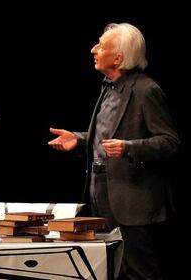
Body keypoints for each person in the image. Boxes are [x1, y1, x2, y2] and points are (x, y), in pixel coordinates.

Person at [48, 23, 179, 279]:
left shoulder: (145, 90)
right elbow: (106, 138)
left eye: (101, 45)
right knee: (109, 270)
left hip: (132, 202)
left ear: (118, 57)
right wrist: (79, 139)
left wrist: (129, 148)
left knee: (138, 272)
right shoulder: (108, 88)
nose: (93, 50)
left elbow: (169, 142)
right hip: (101, 195)